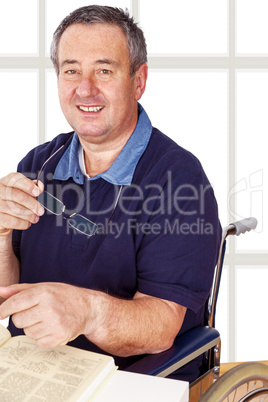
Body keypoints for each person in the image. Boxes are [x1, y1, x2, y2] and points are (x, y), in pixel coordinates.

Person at [0, 6, 221, 382]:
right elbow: (8, 289)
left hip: (130, 381)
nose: (85, 89)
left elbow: (161, 324)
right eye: (71, 70)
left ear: (138, 80)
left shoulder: (179, 181)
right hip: (36, 369)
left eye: (104, 70)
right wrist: (2, 237)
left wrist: (86, 311)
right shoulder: (37, 164)